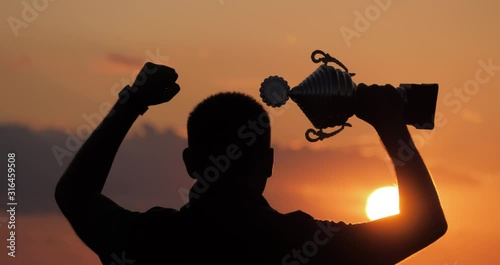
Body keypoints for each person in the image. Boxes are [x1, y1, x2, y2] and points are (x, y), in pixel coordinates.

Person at [55, 62, 447, 264]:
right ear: (269, 164)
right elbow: (426, 224)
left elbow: (74, 195)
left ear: (191, 163)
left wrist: (132, 102)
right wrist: (391, 126)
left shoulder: (152, 240)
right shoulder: (305, 244)